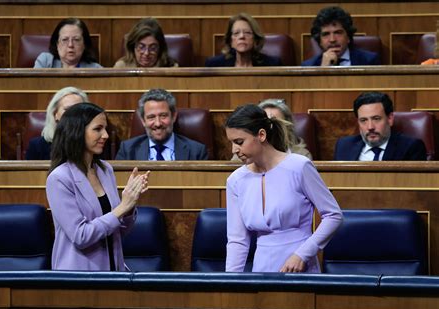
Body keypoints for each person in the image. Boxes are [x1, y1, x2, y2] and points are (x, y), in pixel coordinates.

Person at [225, 104, 342, 273]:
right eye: (232, 143)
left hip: (300, 267)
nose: (234, 150)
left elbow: (333, 215)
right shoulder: (236, 180)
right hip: (261, 269)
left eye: (239, 142)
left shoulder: (299, 167)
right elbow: (238, 240)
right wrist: (230, 283)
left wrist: (302, 254)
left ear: (261, 135)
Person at [46, 102, 150, 270]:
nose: (106, 135)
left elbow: (118, 230)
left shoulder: (105, 169)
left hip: (113, 271)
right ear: (77, 132)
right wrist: (122, 208)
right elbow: (81, 236)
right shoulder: (59, 178)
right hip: (78, 276)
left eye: (105, 128)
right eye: (98, 129)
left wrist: (130, 204)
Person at [115, 88, 208, 160]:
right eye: (151, 117)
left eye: (163, 116)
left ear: (174, 116)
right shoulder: (127, 150)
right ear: (143, 121)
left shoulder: (196, 151)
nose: (158, 123)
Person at [334, 91, 427, 161]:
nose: (370, 127)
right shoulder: (344, 146)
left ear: (390, 119)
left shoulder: (410, 147)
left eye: (376, 118)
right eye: (363, 120)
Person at [301, 6, 380, 66]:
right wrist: (324, 70)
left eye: (338, 33)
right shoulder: (309, 66)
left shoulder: (369, 61)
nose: (332, 40)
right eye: (326, 34)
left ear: (348, 37)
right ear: (320, 41)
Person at [26, 87, 89, 160]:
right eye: (67, 109)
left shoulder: (94, 143)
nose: (73, 114)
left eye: (78, 109)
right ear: (55, 114)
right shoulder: (37, 146)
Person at [205, 13, 282, 67]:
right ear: (230, 40)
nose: (241, 36)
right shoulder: (214, 65)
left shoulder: (273, 64)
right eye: (236, 33)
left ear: (255, 38)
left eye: (247, 33)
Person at [34, 18, 102, 69]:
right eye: (65, 39)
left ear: (84, 44)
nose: (70, 45)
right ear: (57, 44)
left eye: (76, 40)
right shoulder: (45, 61)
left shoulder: (96, 69)